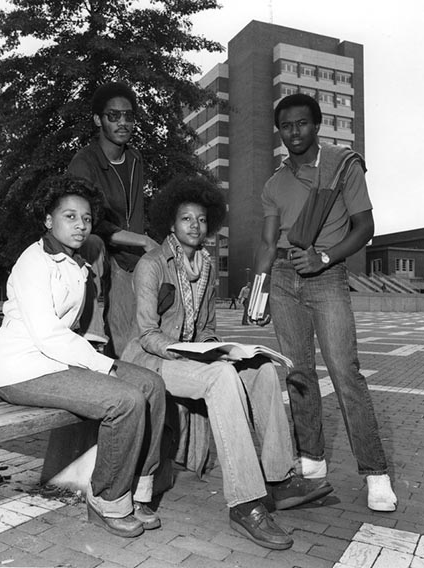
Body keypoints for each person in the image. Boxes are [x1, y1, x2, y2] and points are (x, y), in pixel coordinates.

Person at [122, 175, 332, 550]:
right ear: (171, 223)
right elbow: (146, 334)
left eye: (202, 220)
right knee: (220, 378)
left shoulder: (205, 265)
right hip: (151, 361)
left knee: (262, 370)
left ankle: (279, 480)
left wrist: (219, 348)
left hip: (192, 360)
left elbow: (205, 329)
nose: (195, 226)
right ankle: (246, 502)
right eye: (187, 219)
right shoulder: (152, 265)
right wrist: (193, 354)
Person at [0, 174, 166, 537]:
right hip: (22, 370)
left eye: (86, 218)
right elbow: (48, 334)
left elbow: (68, 331)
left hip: (52, 362)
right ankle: (107, 498)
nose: (81, 225)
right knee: (125, 399)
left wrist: (100, 358)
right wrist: (105, 366)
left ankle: (140, 490)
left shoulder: (77, 264)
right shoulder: (33, 263)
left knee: (151, 383)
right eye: (70, 216)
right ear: (48, 220)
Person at [252, 93, 397, 512]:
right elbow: (266, 241)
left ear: (316, 126)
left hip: (328, 278)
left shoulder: (342, 164)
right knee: (298, 374)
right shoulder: (273, 184)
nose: (293, 132)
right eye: (286, 126)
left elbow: (365, 227)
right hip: (282, 280)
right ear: (279, 131)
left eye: (301, 124)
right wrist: (258, 290)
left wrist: (324, 258)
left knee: (346, 374)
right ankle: (312, 462)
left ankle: (375, 474)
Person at [68, 81, 158, 358]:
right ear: (98, 119)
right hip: (95, 255)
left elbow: (137, 212)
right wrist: (142, 240)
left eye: (129, 116)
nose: (123, 122)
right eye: (113, 116)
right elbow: (86, 225)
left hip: (128, 259)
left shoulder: (134, 159)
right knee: (93, 241)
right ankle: (92, 333)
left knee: (131, 343)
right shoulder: (83, 162)